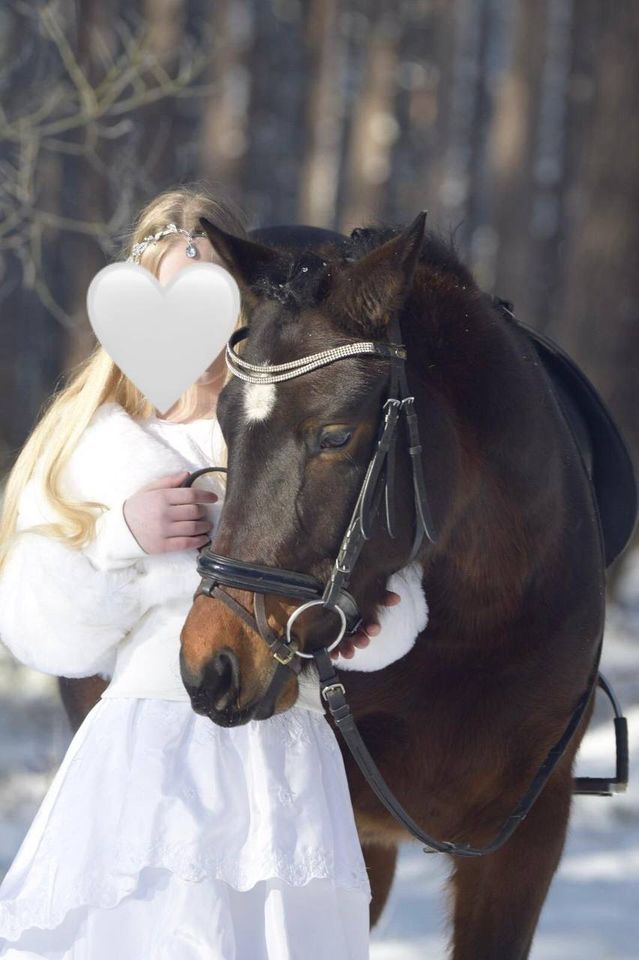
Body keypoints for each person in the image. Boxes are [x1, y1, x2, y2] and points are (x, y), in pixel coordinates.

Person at [0, 185, 428, 958]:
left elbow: (382, 572)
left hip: (284, 754)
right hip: (147, 753)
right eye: (163, 298)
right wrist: (117, 537)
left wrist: (374, 624)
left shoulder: (285, 436)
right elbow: (40, 627)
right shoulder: (93, 449)